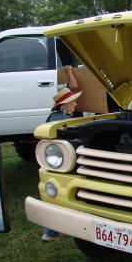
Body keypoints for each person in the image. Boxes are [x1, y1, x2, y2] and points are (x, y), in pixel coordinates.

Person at [42, 75, 82, 242]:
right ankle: (52, 232)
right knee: (64, 196)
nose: (76, 104)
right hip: (67, 164)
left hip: (53, 163)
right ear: (66, 105)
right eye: (73, 102)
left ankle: (50, 232)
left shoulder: (52, 119)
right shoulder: (67, 123)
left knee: (54, 197)